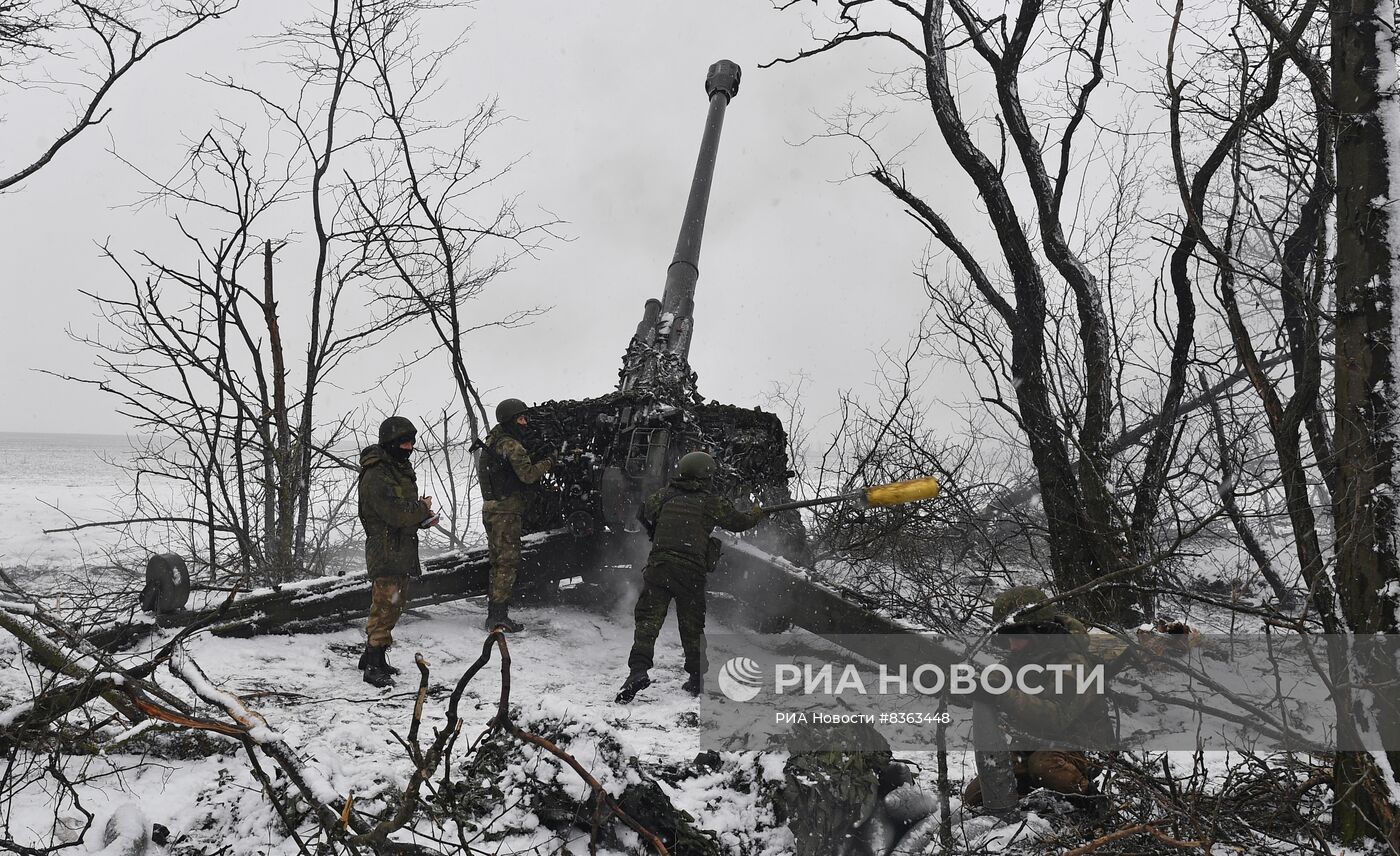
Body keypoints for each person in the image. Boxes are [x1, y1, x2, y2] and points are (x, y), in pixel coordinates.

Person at [616, 451, 766, 703]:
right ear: (705, 476)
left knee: (647, 622)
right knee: (692, 626)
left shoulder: (664, 495)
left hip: (659, 567)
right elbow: (739, 522)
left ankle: (637, 671)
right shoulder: (710, 502)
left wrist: (654, 532)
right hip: (690, 573)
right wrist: (757, 513)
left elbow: (642, 512)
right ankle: (697, 677)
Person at [962, 585, 1111, 808]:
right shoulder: (1018, 660)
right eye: (1008, 638)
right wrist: (963, 686)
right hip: (1033, 745)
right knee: (977, 794)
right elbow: (989, 684)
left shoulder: (1074, 663)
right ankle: (1035, 799)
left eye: (1018, 637)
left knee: (1043, 765)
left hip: (1082, 747)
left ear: (1039, 632)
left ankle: (1094, 802)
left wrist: (1002, 694)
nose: (1012, 645)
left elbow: (1057, 717)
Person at [357, 416, 436, 688]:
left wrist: (421, 519)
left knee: (393, 604)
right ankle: (373, 665)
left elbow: (401, 514)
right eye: (404, 443)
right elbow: (393, 513)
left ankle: (373, 657)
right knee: (385, 606)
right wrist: (421, 509)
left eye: (412, 442)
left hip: (401, 548)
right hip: (386, 550)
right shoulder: (377, 473)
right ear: (390, 443)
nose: (409, 447)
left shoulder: (396, 468)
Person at [478, 398, 553, 632]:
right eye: (520, 419)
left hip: (491, 509)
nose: (525, 423)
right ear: (511, 421)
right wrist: (548, 462)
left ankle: (495, 612)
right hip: (507, 512)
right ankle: (497, 617)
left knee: (497, 562)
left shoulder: (493, 440)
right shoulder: (511, 445)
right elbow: (528, 475)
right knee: (506, 564)